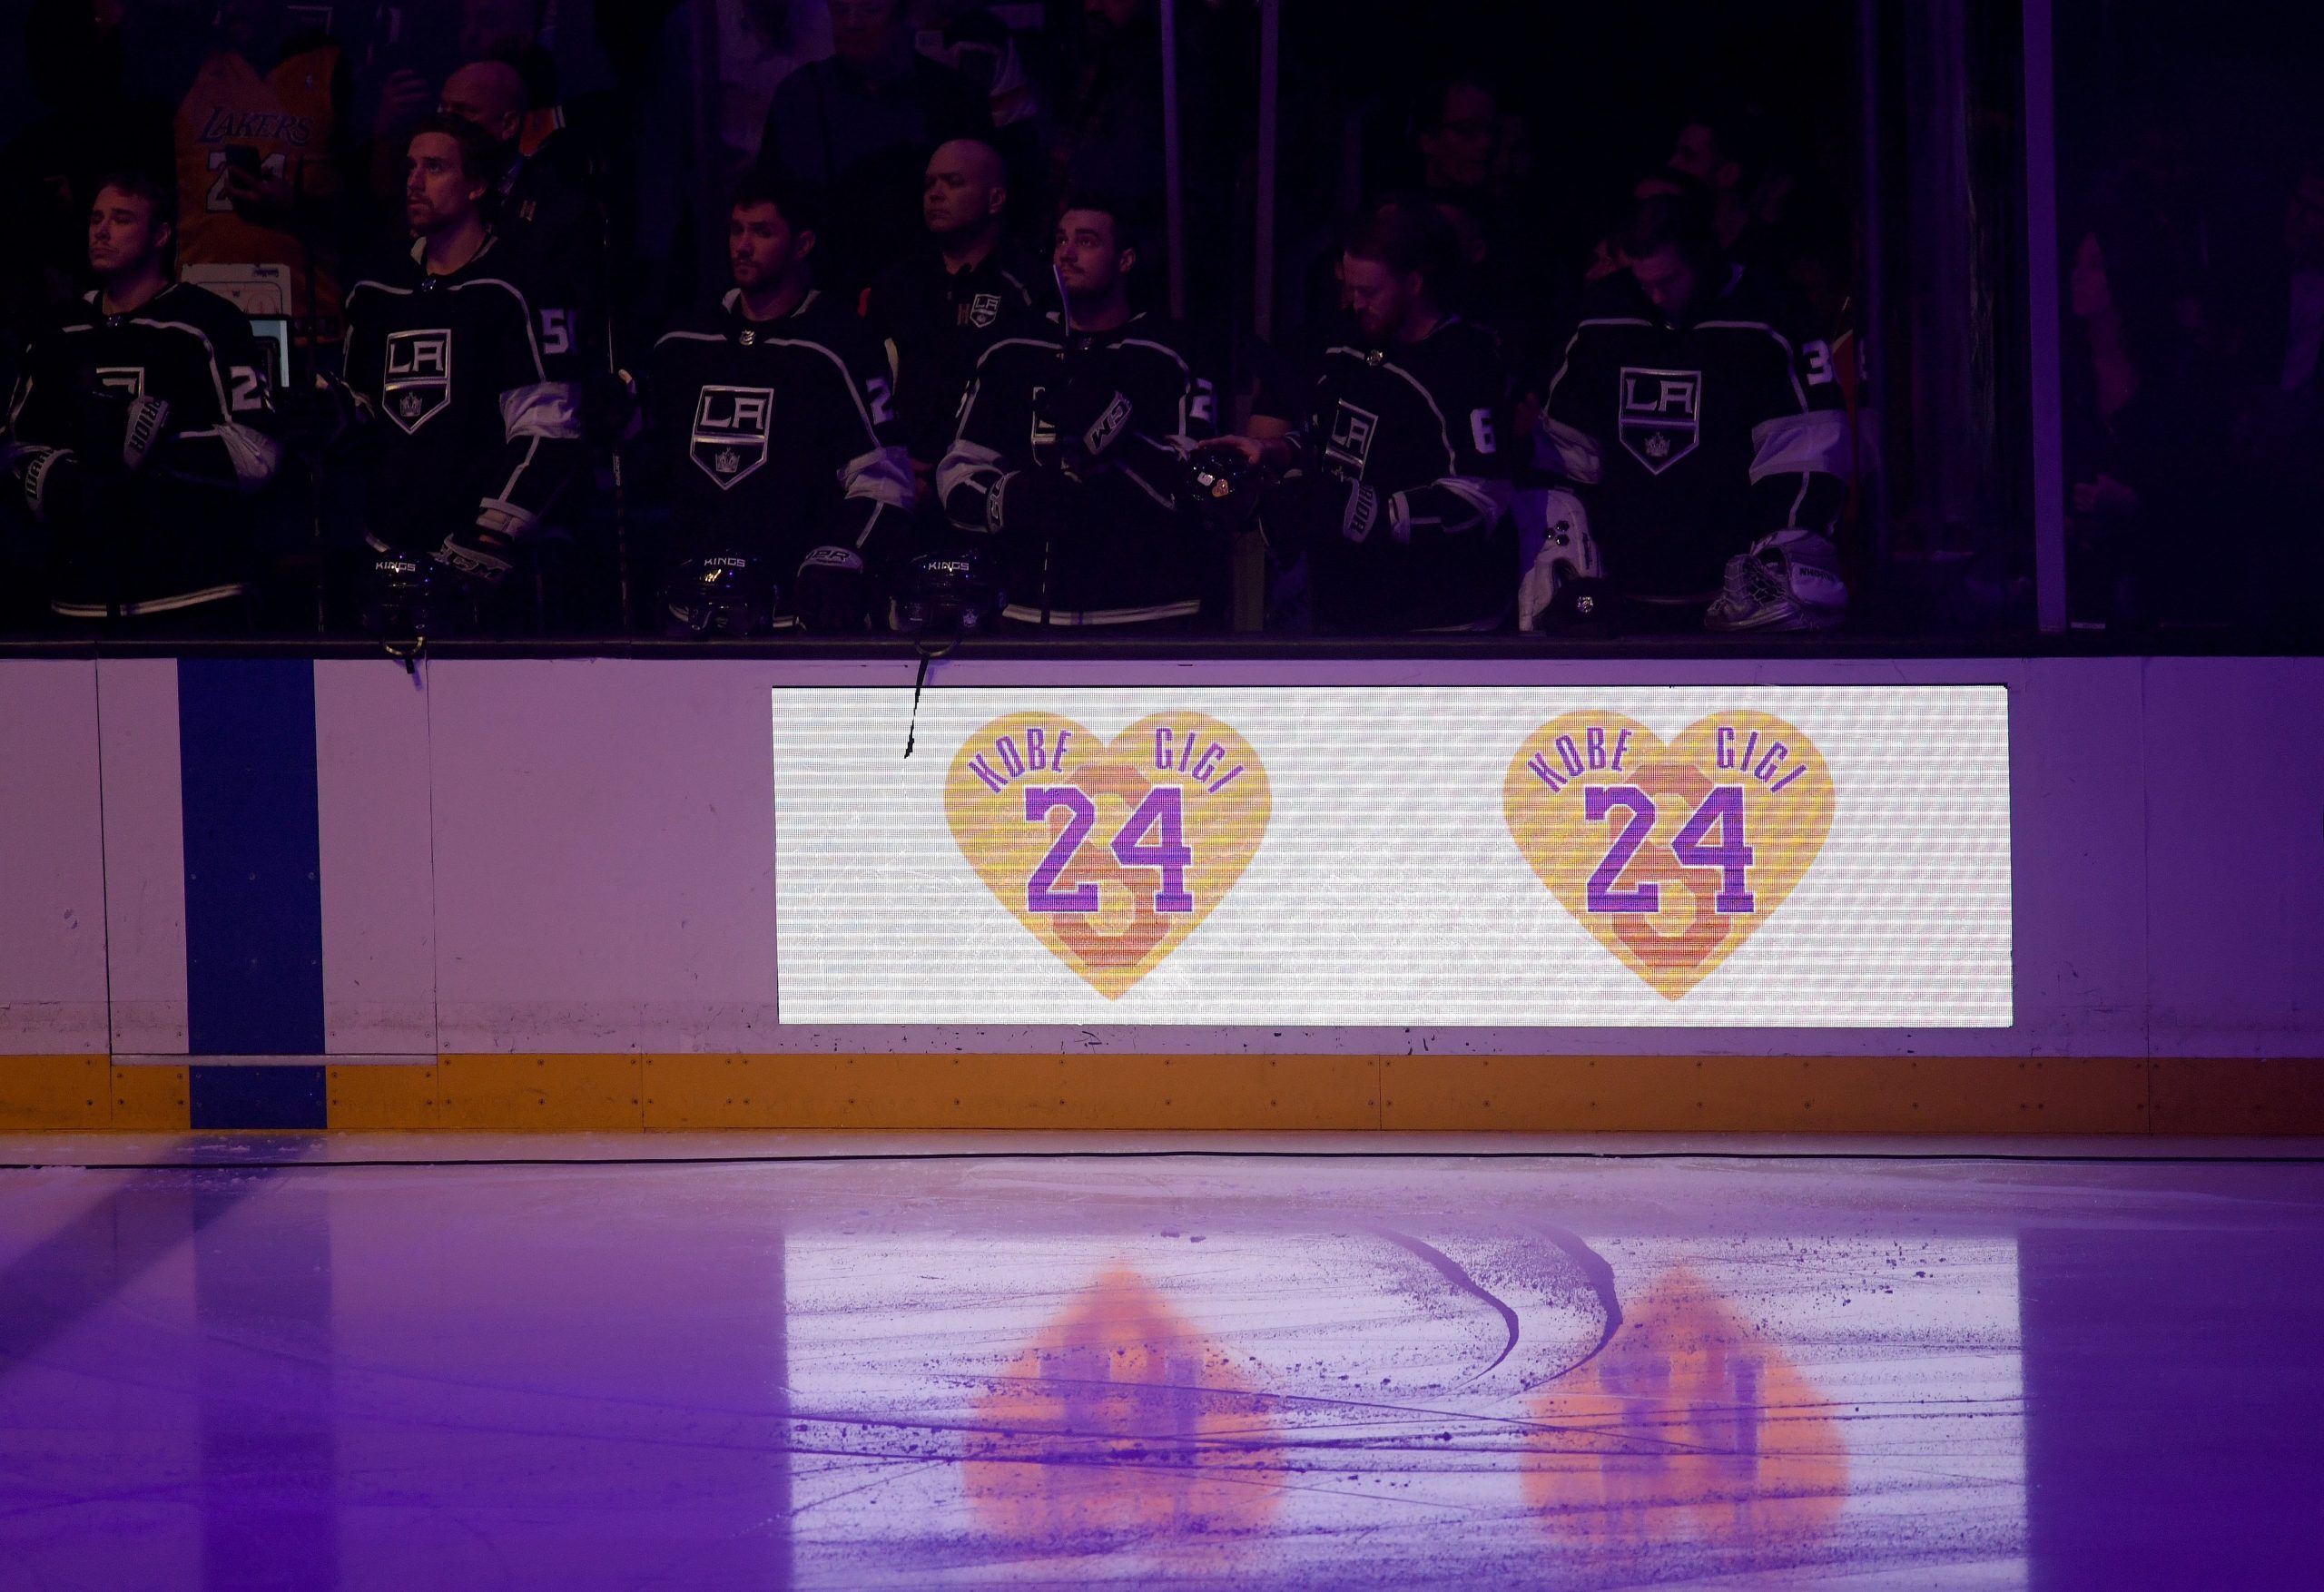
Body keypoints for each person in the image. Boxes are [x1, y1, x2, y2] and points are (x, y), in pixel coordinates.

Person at [1529, 191, 1849, 633]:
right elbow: (1564, 457)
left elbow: (1807, 456)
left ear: (1704, 257)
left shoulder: (1773, 317)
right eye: (1644, 283)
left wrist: (1779, 560)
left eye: (1669, 280)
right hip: (1618, 599)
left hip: (1738, 606)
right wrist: (1563, 556)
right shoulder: (1598, 317)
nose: (1656, 296)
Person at [1215, 201, 1514, 634]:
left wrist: (1376, 514)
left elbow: (1482, 497)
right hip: (1348, 611)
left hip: (1439, 623)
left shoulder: (1466, 362)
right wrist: (1275, 452)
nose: (1354, 303)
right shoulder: (1344, 344)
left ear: (1414, 282)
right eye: (1349, 288)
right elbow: (1327, 441)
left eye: (1369, 292)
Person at [2, 170, 281, 625]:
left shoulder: (207, 322)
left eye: (122, 219)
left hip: (195, 596)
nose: (102, 231)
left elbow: (259, 453)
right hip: (78, 600)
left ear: (161, 235)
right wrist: (45, 474)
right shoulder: (56, 332)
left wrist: (154, 446)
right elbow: (15, 444)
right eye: (95, 218)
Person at [938, 192, 1217, 628]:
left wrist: (1114, 431)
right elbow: (958, 471)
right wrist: (1011, 498)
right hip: (1023, 611)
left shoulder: (1171, 351)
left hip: (1150, 612)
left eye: (1086, 241)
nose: (1066, 253)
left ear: (1125, 260)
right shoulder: (1010, 347)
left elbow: (1202, 485)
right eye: (1061, 240)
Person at [340, 114, 582, 616]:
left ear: (475, 186)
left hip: (478, 570)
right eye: (411, 167)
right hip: (384, 555)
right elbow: (360, 407)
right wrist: (328, 411)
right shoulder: (375, 288)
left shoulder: (518, 286)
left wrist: (494, 533)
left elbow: (549, 427)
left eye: (435, 167)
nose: (414, 182)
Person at [645, 177, 912, 631]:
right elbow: (644, 456)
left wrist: (838, 556)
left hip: (793, 616)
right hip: (690, 612)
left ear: (802, 244)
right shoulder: (683, 338)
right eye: (735, 230)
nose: (742, 247)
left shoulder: (840, 342)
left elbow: (885, 482)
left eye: (762, 232)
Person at [755, 0, 991, 306]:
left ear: (906, 15)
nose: (852, 23)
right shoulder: (799, 98)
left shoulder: (953, 98)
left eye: (871, 9)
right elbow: (768, 208)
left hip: (932, 300)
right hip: (821, 302)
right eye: (840, 10)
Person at [166, 0, 356, 341]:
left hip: (305, 313)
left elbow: (366, 204)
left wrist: (297, 205)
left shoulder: (333, 68)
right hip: (202, 301)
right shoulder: (190, 66)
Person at [861, 138, 1037, 487]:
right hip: (899, 475)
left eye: (953, 183)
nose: (935, 194)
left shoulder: (1027, 287)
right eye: (929, 184)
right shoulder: (895, 285)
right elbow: (866, 382)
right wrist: (893, 459)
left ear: (995, 199)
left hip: (994, 477)